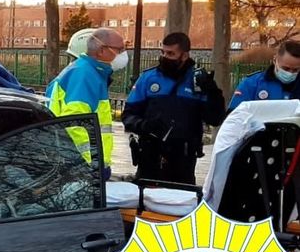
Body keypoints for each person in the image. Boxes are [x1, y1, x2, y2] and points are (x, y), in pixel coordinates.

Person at [122, 32, 225, 185]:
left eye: (171, 53)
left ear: (184, 55)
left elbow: (215, 118)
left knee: (181, 196)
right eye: (163, 52)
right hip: (150, 152)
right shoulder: (148, 78)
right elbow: (128, 115)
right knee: (146, 194)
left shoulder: (198, 81)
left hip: (183, 156)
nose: (165, 57)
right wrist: (144, 125)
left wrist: (213, 93)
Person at [46, 27, 128, 180]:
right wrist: (91, 164)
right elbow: (76, 124)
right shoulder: (85, 75)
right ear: (102, 50)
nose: (123, 54)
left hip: (78, 164)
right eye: (120, 49)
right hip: (83, 167)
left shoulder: (86, 72)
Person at [228, 40, 300, 112]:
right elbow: (234, 114)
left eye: (295, 70)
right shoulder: (251, 84)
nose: (290, 73)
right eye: (286, 68)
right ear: (275, 60)